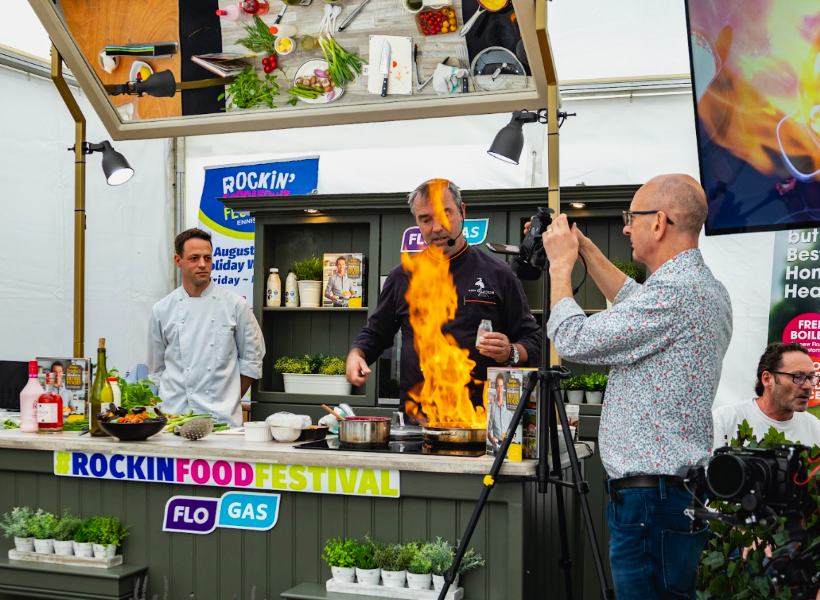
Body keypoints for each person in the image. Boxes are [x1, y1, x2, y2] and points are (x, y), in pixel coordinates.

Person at [541, 174, 733, 600]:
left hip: (650, 504)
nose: (626, 227)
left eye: (632, 217)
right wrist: (585, 249)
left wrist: (559, 267)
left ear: (659, 222)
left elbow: (573, 339)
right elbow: (633, 299)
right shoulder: (704, 289)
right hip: (669, 497)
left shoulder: (675, 295)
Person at [346, 179, 542, 416]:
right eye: (425, 219)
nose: (436, 227)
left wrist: (511, 352)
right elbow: (376, 332)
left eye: (444, 214)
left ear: (462, 212)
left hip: (482, 421)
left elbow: (534, 339)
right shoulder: (402, 277)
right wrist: (357, 354)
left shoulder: (499, 274)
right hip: (417, 421)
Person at [147, 228, 265, 427]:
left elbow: (252, 363)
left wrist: (228, 400)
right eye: (194, 258)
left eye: (207, 258)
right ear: (178, 261)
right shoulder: (162, 310)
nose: (202, 264)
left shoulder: (235, 305)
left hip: (221, 421)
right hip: (174, 419)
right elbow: (156, 370)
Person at [714, 342, 820, 448]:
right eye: (797, 377)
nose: (807, 386)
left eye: (810, 378)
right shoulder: (724, 420)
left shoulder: (815, 428)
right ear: (767, 379)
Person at [487, 373, 510, 449]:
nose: (500, 390)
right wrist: (491, 439)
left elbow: (513, 427)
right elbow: (489, 431)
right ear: (496, 388)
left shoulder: (508, 407)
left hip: (508, 446)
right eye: (498, 386)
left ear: (503, 387)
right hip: (497, 447)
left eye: (501, 386)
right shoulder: (493, 408)